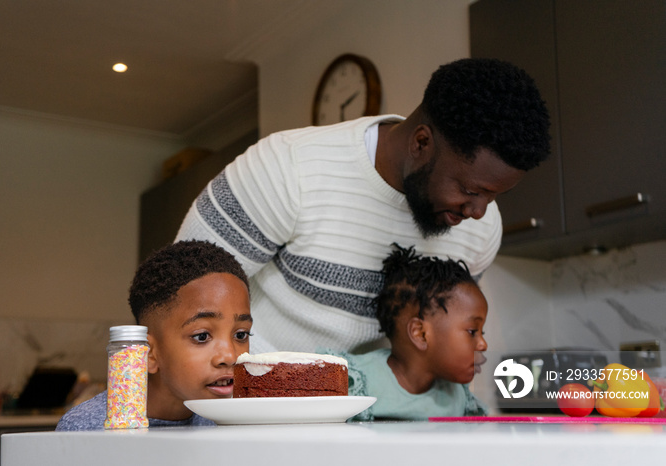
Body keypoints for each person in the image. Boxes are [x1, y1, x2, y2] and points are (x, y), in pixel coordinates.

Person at [175, 58, 550, 354]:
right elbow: (179, 298)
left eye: (495, 195)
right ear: (421, 143)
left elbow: (434, 338)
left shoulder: (481, 230)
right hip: (244, 402)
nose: (479, 212)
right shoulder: (287, 166)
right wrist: (302, 386)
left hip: (366, 419)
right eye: (470, 189)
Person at [56, 240, 252, 431]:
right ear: (148, 353)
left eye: (241, 334)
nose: (230, 356)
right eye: (202, 336)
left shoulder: (230, 424)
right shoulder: (86, 429)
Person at [323, 244, 489, 421]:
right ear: (420, 334)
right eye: (472, 331)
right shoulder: (353, 382)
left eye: (482, 333)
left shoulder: (459, 398)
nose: (483, 344)